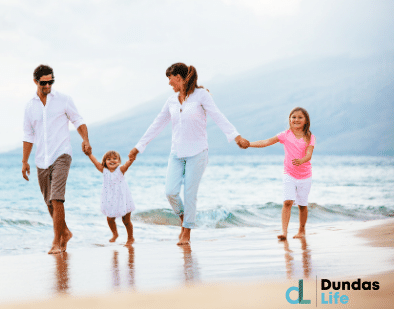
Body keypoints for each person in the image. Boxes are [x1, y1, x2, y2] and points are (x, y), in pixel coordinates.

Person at [129, 62, 249, 245]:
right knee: (170, 192)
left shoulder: (202, 96)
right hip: (176, 153)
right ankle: (184, 219)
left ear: (178, 77)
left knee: (190, 193)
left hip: (198, 152)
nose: (169, 83)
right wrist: (139, 146)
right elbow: (157, 124)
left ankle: (186, 232)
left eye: (170, 79)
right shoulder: (171, 101)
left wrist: (236, 136)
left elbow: (218, 115)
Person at [22, 64, 92, 254]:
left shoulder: (63, 100)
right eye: (44, 82)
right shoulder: (30, 106)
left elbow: (78, 120)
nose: (48, 86)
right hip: (41, 159)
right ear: (35, 81)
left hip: (62, 153)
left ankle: (56, 241)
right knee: (49, 202)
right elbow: (28, 135)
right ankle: (65, 232)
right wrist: (24, 161)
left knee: (57, 198)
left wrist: (85, 139)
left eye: (51, 81)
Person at [248, 107, 315, 240]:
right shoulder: (285, 135)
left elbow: (309, 155)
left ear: (306, 120)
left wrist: (301, 160)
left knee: (302, 205)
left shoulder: (309, 137)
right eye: (293, 117)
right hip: (289, 173)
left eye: (300, 117)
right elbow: (266, 142)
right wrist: (249, 144)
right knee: (287, 202)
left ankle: (301, 230)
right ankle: (284, 232)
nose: (296, 119)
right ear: (290, 119)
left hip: (305, 175)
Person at [86, 150, 136, 245]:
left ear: (119, 161)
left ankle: (130, 238)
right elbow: (95, 162)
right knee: (109, 219)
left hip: (123, 199)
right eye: (108, 159)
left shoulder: (120, 170)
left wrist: (131, 160)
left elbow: (127, 164)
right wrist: (89, 154)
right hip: (110, 200)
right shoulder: (104, 171)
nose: (112, 160)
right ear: (104, 162)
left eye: (115, 158)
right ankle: (115, 234)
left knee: (126, 220)